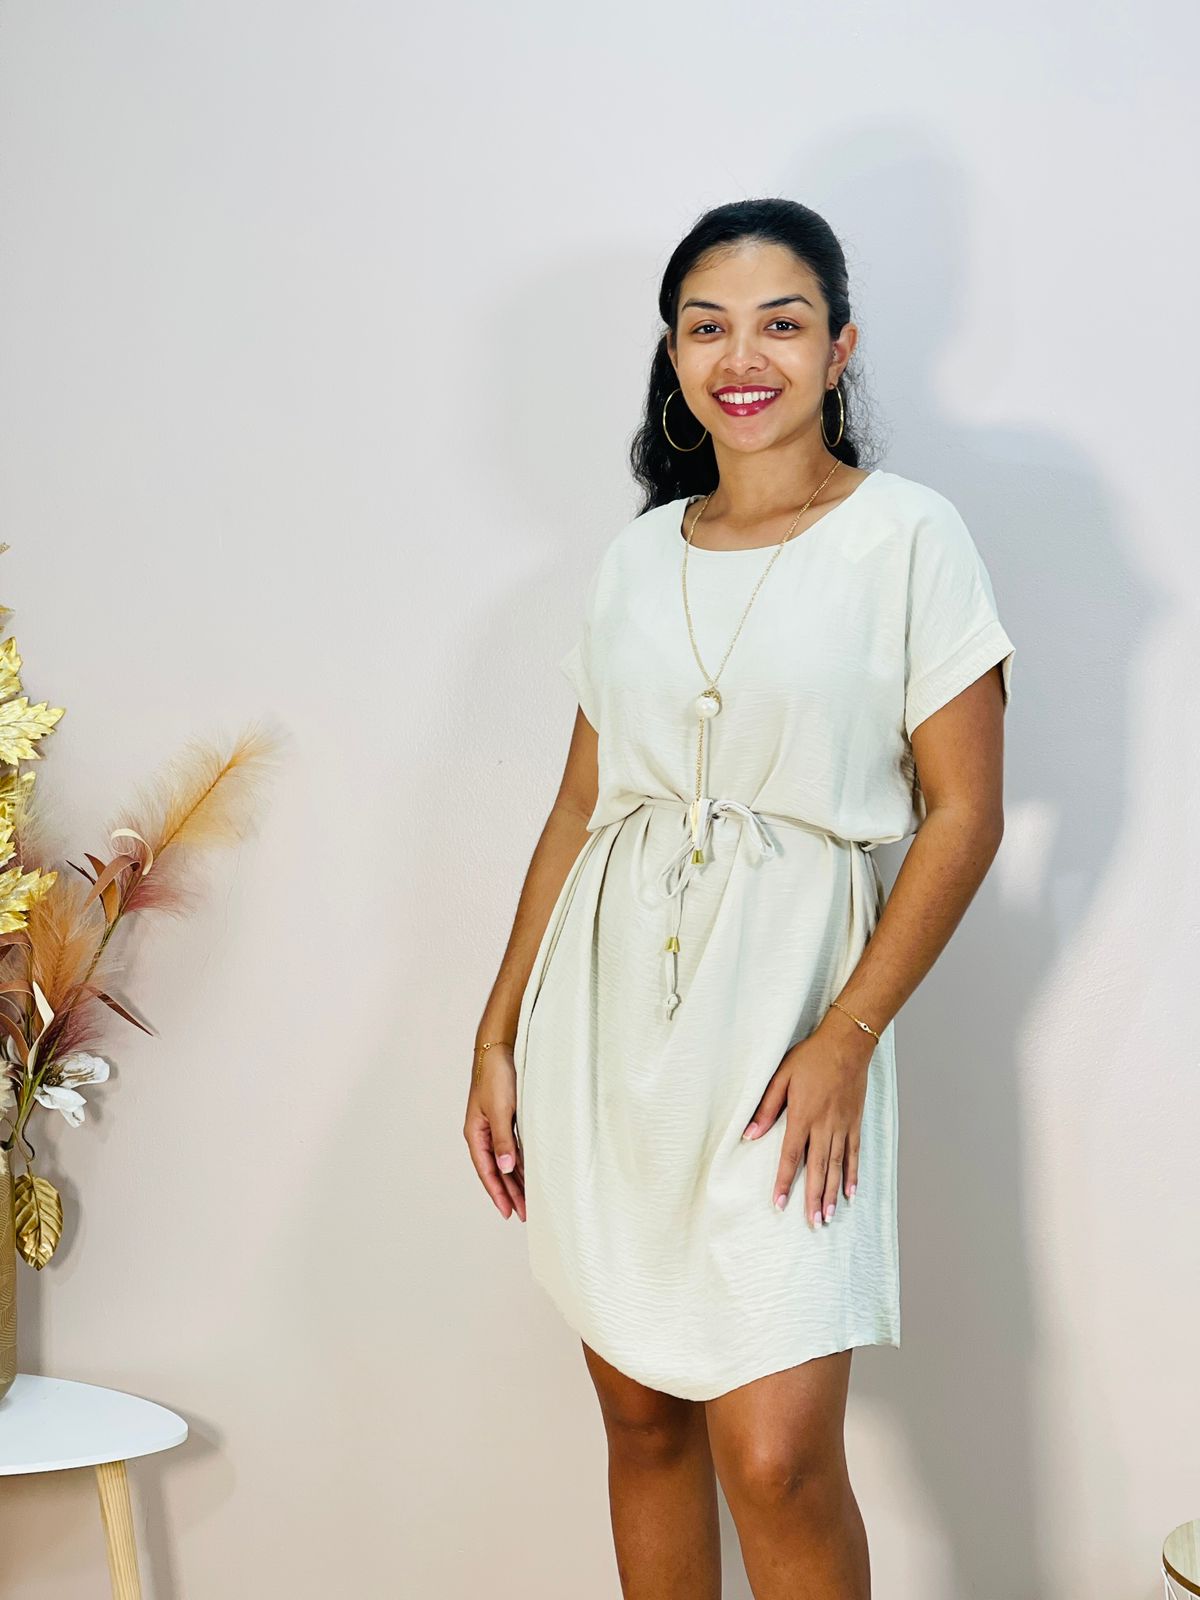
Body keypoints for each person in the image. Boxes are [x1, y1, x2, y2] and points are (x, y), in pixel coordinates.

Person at [464, 196, 1015, 1598]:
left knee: (776, 1459)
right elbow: (580, 806)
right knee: (644, 1422)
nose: (743, 356)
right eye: (707, 327)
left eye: (782, 323)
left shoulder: (909, 536)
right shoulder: (637, 559)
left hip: (788, 1022)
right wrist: (498, 1029)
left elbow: (965, 811)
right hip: (607, 1037)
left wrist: (849, 1036)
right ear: (673, 354)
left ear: (841, 348)